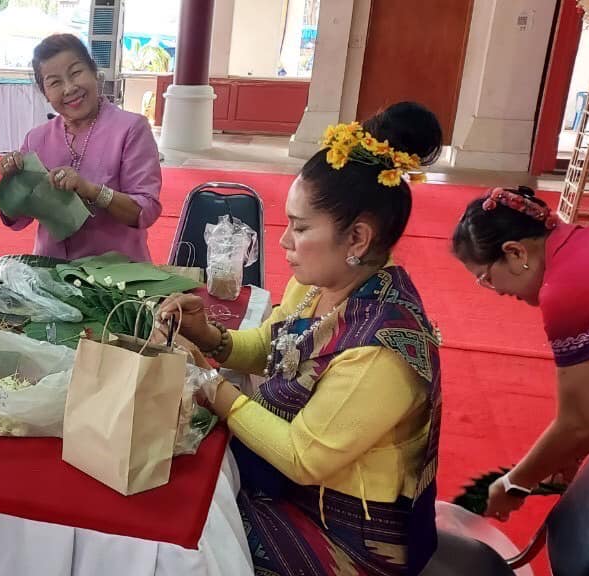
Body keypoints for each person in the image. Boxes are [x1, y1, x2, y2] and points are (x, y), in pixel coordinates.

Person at [160, 102, 444, 574]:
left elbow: (302, 456)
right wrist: (209, 337)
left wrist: (214, 390)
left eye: (301, 227)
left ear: (357, 238)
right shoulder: (319, 285)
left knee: (182, 544)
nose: (284, 241)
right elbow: (272, 348)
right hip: (289, 489)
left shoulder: (384, 348)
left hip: (346, 535)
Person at [451, 186, 589, 522]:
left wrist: (513, 484)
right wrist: (571, 451)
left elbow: (578, 422)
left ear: (515, 253)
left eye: (486, 278)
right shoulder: (584, 243)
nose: (497, 291)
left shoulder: (566, 288)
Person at [0, 34, 161, 263]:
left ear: (94, 72)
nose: (69, 88)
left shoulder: (131, 128)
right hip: (51, 274)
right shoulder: (37, 139)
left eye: (76, 73)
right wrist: (13, 184)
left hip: (118, 278)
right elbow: (16, 220)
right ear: (45, 93)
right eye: (55, 82)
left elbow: (145, 211)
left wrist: (91, 190)